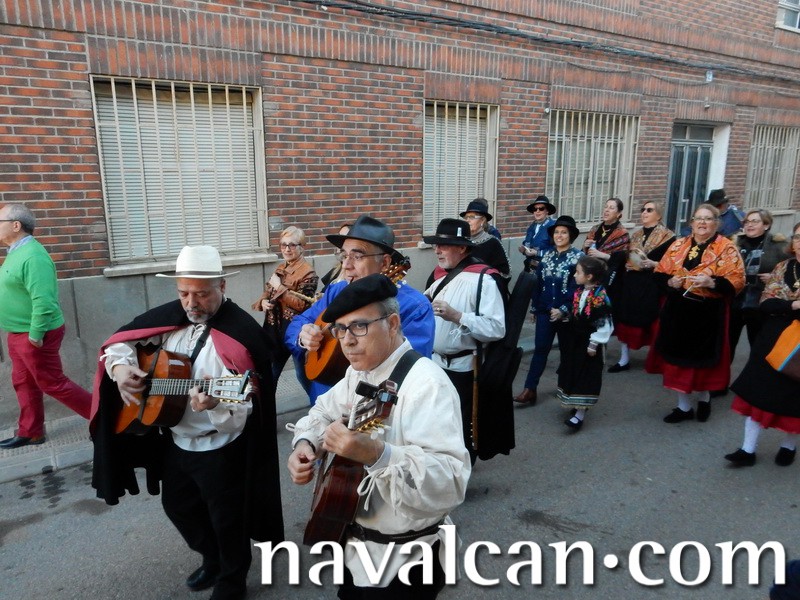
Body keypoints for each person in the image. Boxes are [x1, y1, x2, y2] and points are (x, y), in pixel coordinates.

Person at [90, 245, 284, 600]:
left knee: (228, 520)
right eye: (183, 293)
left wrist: (214, 405)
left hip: (221, 447)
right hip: (176, 440)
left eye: (202, 294)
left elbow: (247, 409)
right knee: (178, 507)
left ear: (222, 286)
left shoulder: (241, 333)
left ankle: (232, 580)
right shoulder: (171, 320)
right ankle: (212, 558)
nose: (191, 303)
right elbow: (120, 343)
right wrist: (120, 369)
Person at [288, 274, 470, 599]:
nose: (347, 341)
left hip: (405, 563)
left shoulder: (428, 385)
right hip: (352, 545)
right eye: (340, 329)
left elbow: (449, 483)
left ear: (393, 323)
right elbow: (323, 411)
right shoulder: (359, 372)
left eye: (359, 326)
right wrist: (305, 443)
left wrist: (377, 454)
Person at [286, 215, 434, 404]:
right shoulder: (337, 290)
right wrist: (303, 336)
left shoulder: (415, 307)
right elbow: (298, 322)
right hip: (322, 398)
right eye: (344, 256)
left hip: (367, 407)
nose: (346, 265)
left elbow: (410, 373)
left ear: (385, 263)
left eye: (357, 256)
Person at [0, 203, 91, 449]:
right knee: (23, 382)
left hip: (34, 333)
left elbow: (44, 300)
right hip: (17, 333)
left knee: (53, 382)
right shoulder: (15, 252)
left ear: (16, 225)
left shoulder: (33, 256)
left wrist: (36, 334)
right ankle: (31, 432)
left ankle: (107, 419)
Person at [646, 204, 745, 424]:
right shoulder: (678, 244)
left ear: (716, 223)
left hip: (707, 313)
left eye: (708, 219)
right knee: (677, 364)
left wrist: (712, 282)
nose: (702, 223)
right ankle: (683, 407)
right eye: (698, 218)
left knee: (703, 364)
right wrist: (670, 282)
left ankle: (704, 398)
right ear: (691, 223)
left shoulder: (727, 248)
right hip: (678, 311)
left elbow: (737, 281)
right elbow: (659, 274)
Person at [423, 218, 506, 462]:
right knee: (437, 422)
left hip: (464, 369)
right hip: (435, 364)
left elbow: (497, 328)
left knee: (460, 426)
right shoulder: (439, 276)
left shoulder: (484, 279)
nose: (437, 250)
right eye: (435, 245)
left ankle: (462, 470)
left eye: (443, 245)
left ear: (461, 247)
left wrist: (457, 316)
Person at [725, 223, 800, 467]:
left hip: (798, 345)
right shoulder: (783, 267)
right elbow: (766, 303)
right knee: (758, 392)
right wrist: (793, 306)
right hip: (772, 338)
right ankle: (747, 449)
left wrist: (783, 306)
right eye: (798, 237)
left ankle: (788, 446)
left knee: (794, 398)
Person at [514, 215, 583, 406]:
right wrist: (535, 308)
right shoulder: (546, 256)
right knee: (540, 350)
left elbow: (578, 289)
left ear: (571, 235)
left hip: (567, 315)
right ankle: (530, 389)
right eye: (556, 232)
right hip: (545, 311)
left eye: (564, 232)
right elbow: (538, 283)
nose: (559, 236)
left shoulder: (578, 258)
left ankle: (566, 390)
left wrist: (564, 309)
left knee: (567, 352)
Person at [607, 201, 675, 373]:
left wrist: (654, 264)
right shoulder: (636, 235)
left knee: (654, 324)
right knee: (625, 321)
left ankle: (656, 361)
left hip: (653, 285)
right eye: (643, 209)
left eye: (649, 210)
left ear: (659, 215)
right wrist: (627, 264)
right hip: (633, 284)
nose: (644, 212)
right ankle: (624, 359)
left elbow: (674, 264)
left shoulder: (669, 237)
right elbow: (628, 257)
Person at [251, 226, 318, 395]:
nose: (287, 249)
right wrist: (263, 302)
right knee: (270, 375)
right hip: (274, 331)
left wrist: (279, 287)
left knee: (303, 375)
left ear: (302, 247)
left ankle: (320, 403)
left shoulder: (308, 273)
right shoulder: (280, 268)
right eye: (283, 245)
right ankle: (267, 409)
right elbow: (268, 291)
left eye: (292, 245)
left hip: (294, 331)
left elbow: (303, 304)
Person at [557, 256, 613, 431]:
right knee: (573, 371)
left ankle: (580, 415)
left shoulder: (600, 297)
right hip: (576, 340)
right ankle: (575, 404)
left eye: (578, 272)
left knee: (586, 376)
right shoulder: (580, 291)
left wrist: (594, 343)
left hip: (589, 342)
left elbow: (605, 323)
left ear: (589, 276)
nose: (574, 275)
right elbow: (578, 312)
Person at [459, 198, 510, 279]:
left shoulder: (493, 243)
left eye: (472, 217)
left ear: (482, 220)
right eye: (466, 217)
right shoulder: (460, 240)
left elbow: (505, 273)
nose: (467, 220)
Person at [518, 194, 557, 273]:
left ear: (547, 211)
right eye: (535, 209)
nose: (537, 211)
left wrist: (537, 253)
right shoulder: (532, 226)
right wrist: (524, 250)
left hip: (545, 268)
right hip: (530, 267)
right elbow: (527, 243)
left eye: (541, 208)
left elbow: (557, 250)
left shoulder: (553, 227)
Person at [319, 223, 351, 292]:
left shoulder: (353, 270)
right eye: (338, 237)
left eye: (343, 239)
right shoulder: (337, 268)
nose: (338, 242)